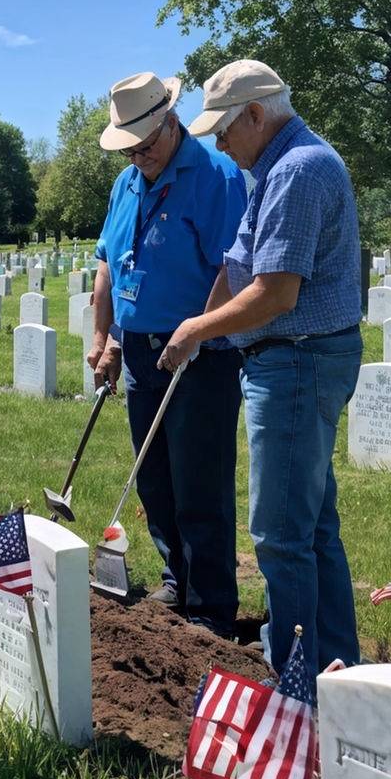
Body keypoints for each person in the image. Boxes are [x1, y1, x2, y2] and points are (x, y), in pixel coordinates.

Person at [158, 59, 363, 684]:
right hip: (285, 358)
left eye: (225, 129)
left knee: (277, 535)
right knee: (312, 525)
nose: (220, 143)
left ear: (256, 114)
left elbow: (276, 293)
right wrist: (207, 317)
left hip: (297, 358)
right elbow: (238, 263)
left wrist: (197, 329)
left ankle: (293, 682)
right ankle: (335, 667)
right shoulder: (268, 169)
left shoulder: (300, 169)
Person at [88, 71, 248, 638]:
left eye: (146, 144)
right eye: (128, 148)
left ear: (171, 122)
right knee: (154, 476)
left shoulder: (216, 176)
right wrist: (104, 336)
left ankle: (210, 607)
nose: (139, 156)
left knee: (199, 479)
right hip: (138, 349)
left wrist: (198, 332)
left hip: (201, 353)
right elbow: (109, 260)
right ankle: (175, 577)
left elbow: (234, 268)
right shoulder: (127, 183)